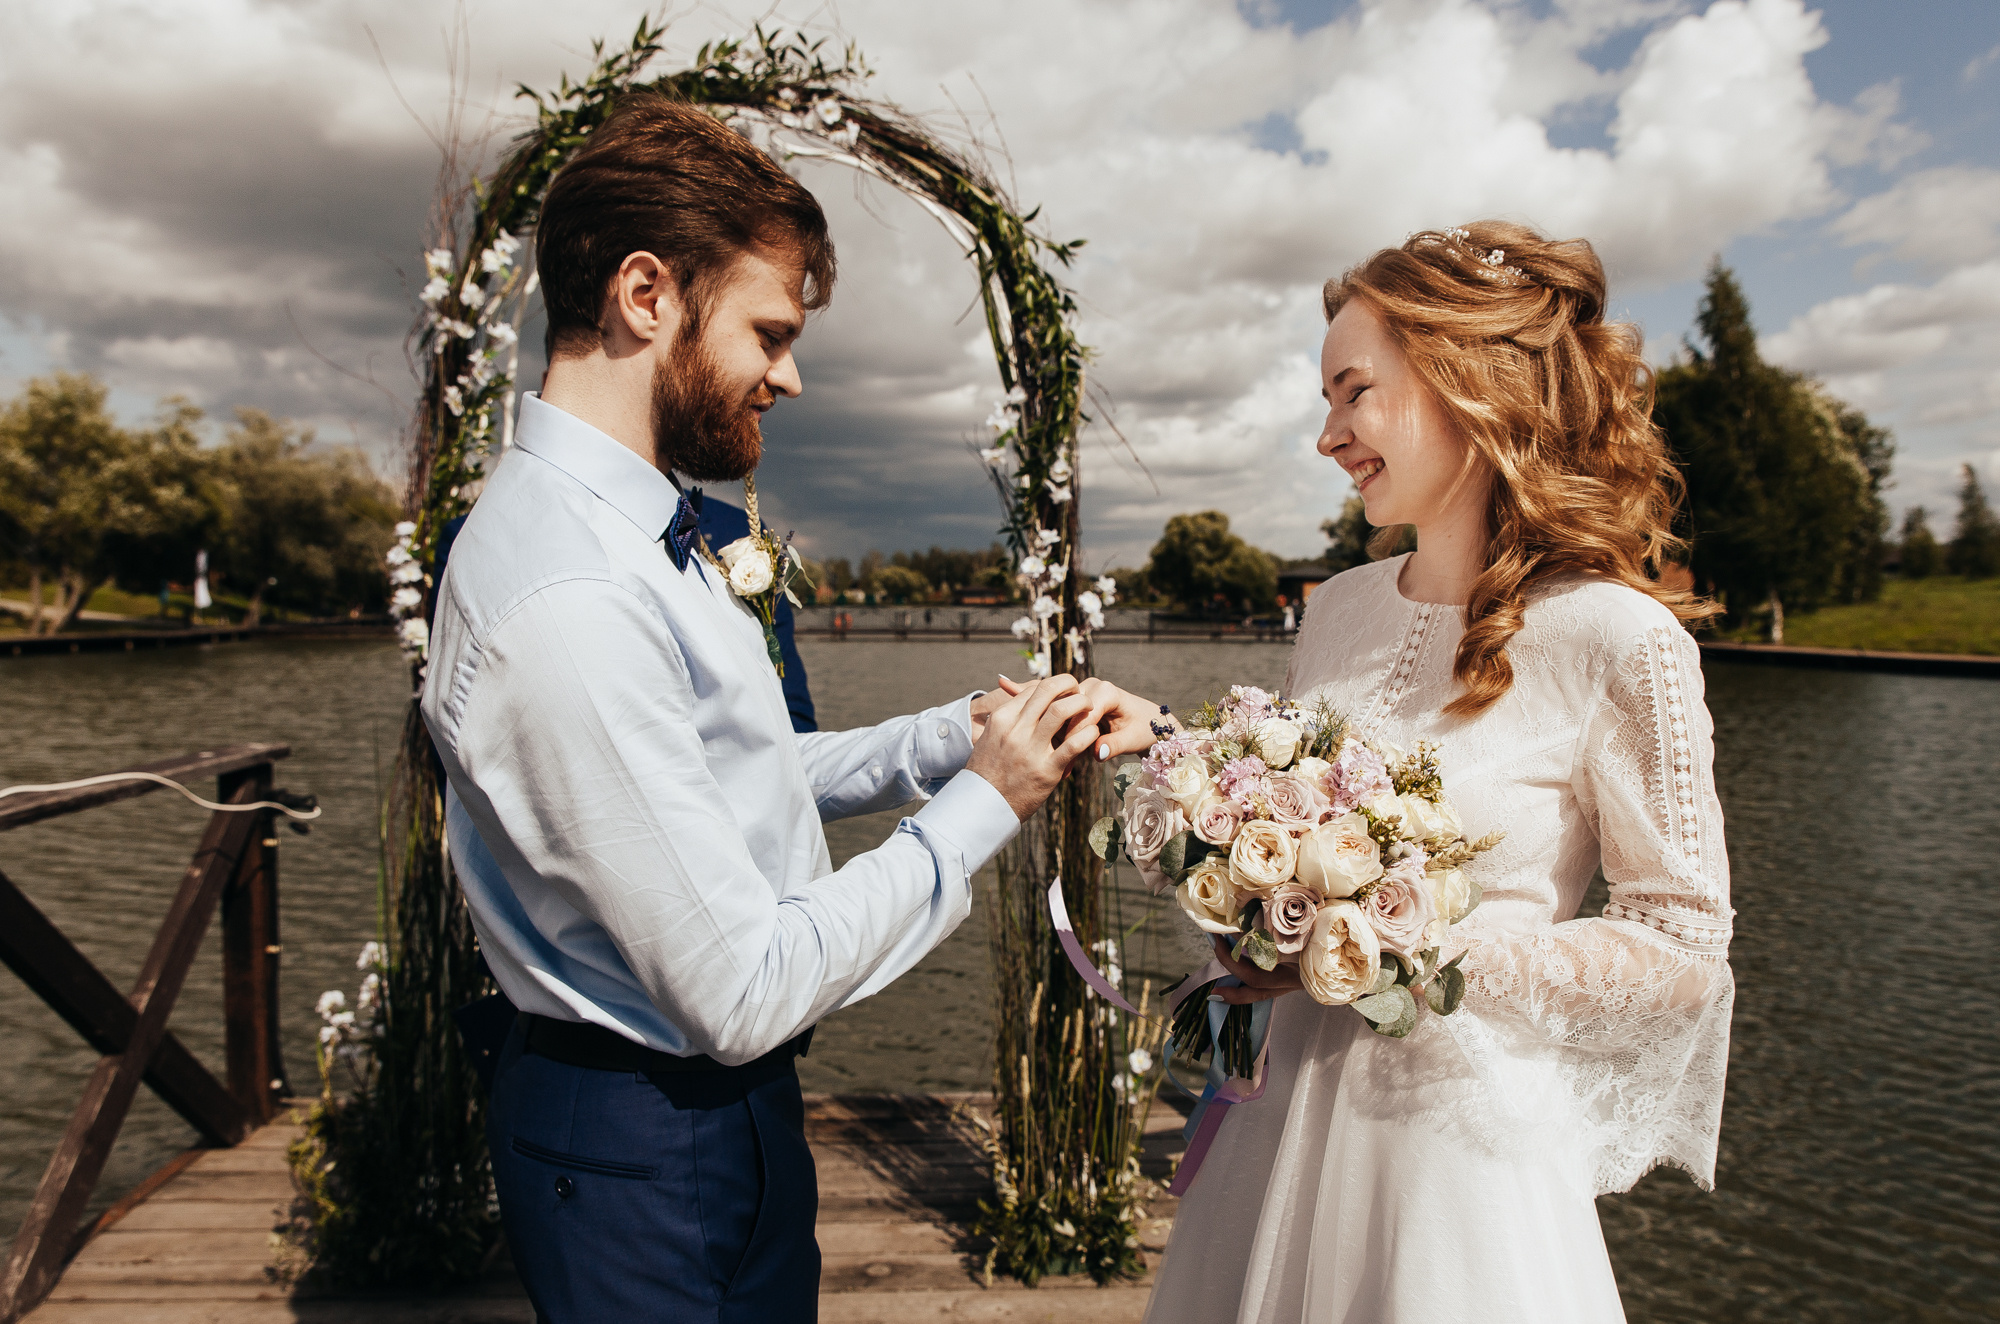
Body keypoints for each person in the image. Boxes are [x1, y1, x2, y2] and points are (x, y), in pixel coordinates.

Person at [419, 94, 1160, 1323]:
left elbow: (734, 771)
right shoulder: (569, 594)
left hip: (710, 1115)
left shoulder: (639, 532)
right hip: (641, 1138)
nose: (791, 375)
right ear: (645, 297)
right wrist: (989, 801)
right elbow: (741, 986)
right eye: (768, 331)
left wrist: (966, 731)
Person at [1145, 223, 1734, 1323]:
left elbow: (1686, 943)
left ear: (1462, 380)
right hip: (1276, 1128)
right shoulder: (1334, 610)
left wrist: (1417, 947)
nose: (1327, 434)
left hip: (1456, 1165)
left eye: (1351, 391)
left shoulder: (1618, 640)